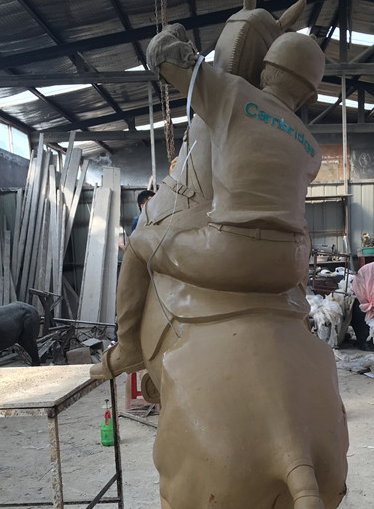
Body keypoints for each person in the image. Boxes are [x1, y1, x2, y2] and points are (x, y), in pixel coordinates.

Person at [91, 26, 325, 379]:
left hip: (231, 253)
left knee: (139, 245)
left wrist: (178, 37)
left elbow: (161, 54)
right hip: (289, 265)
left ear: (267, 68)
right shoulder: (312, 148)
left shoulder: (233, 93)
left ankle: (128, 348)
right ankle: (300, 329)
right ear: (308, 93)